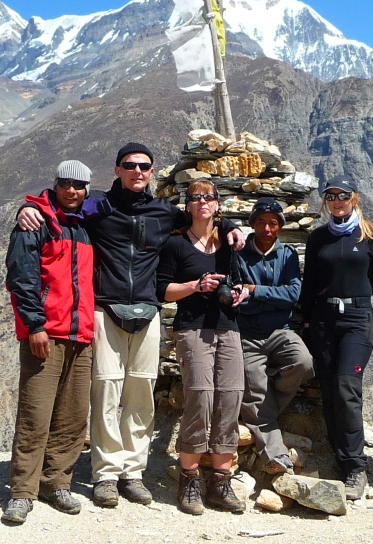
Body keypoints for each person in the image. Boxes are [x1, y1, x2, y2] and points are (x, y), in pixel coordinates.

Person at [17, 143, 244, 508]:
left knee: (141, 394)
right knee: (106, 392)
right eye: (130, 165)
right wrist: (30, 205)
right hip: (106, 310)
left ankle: (132, 472)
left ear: (152, 172)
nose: (138, 171)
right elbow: (63, 202)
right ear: (118, 170)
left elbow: (204, 215)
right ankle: (106, 474)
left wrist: (230, 224)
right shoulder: (99, 207)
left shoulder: (164, 213)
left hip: (148, 311)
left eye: (145, 166)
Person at [2, 160, 95, 524]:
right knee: (35, 413)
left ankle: (57, 482)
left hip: (81, 334)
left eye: (79, 185)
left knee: (73, 416)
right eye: (65, 183)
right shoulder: (35, 223)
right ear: (55, 184)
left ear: (87, 190)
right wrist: (35, 326)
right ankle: (22, 491)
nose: (71, 190)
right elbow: (21, 278)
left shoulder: (87, 224)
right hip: (46, 334)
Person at [156, 180, 248, 515]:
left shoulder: (228, 241)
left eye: (208, 196)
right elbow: (163, 290)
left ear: (217, 204)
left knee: (231, 395)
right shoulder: (176, 245)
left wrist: (239, 293)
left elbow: (244, 278)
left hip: (228, 326)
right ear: (188, 206)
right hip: (192, 328)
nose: (202, 202)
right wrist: (196, 286)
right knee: (200, 396)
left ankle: (221, 480)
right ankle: (189, 478)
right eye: (195, 197)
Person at [299, 175, 373, 501]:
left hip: (356, 320)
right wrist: (307, 320)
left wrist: (360, 292)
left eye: (342, 195)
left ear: (354, 198)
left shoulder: (370, 234)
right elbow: (310, 283)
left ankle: (355, 467)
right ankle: (339, 456)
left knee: (348, 388)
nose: (336, 200)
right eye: (330, 195)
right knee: (331, 391)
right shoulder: (318, 238)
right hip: (322, 320)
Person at [237, 198, 313, 475]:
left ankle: (261, 413)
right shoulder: (241, 254)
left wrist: (256, 290)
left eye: (273, 223)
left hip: (281, 331)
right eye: (261, 222)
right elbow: (238, 299)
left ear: (280, 226)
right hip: (247, 334)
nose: (267, 228)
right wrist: (272, 296)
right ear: (253, 224)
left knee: (303, 362)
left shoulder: (288, 255)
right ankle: (275, 452)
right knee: (252, 382)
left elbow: (293, 295)